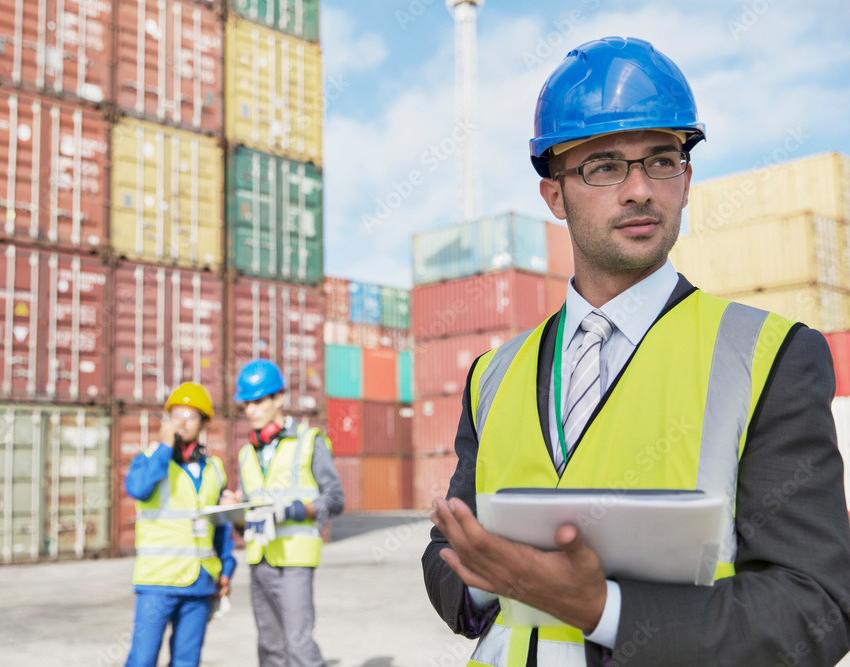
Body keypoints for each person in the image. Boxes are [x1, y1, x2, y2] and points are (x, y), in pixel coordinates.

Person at [421, 36, 850, 667]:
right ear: (555, 196)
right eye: (604, 165)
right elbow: (445, 554)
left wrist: (602, 609)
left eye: (661, 160)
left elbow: (815, 607)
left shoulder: (771, 358)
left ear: (686, 178)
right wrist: (493, 573)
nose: (640, 189)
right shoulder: (493, 374)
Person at [221, 358, 344, 667]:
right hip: (259, 559)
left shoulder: (309, 441)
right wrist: (234, 510)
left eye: (258, 401)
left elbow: (336, 499)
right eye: (246, 404)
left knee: (299, 648)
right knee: (270, 649)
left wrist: (295, 509)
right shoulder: (246, 453)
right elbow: (248, 514)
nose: (250, 410)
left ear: (279, 398)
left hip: (295, 560)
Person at [123, 382, 234, 667]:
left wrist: (225, 568)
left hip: (199, 584)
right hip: (157, 583)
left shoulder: (214, 469)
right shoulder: (148, 461)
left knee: (187, 661)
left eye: (191, 415)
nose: (182, 421)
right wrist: (164, 447)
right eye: (177, 414)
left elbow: (219, 525)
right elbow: (137, 488)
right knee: (142, 659)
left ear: (204, 423)